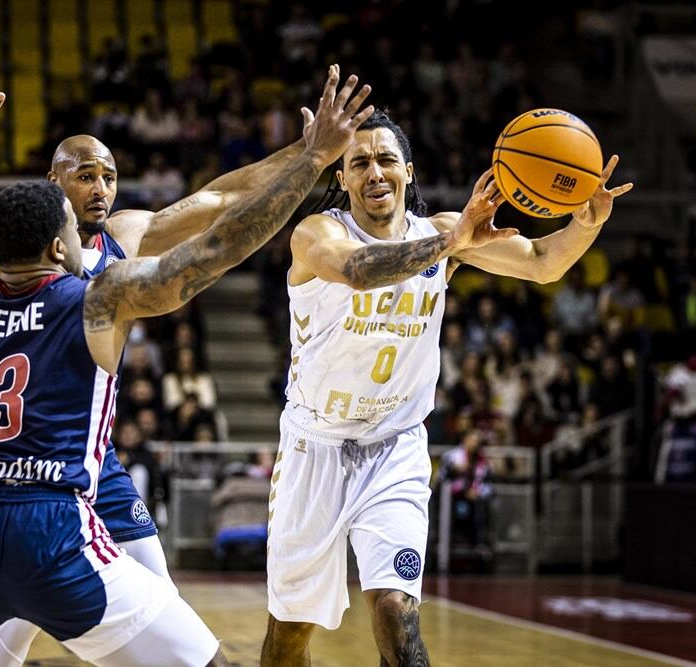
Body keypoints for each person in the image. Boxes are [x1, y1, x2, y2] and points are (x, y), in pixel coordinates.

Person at [0, 47, 371, 664]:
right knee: (17, 623)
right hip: (46, 486)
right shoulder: (24, 236)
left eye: (108, 175)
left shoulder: (123, 236)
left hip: (78, 468)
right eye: (85, 176)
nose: (101, 188)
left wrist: (304, 150)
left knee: (154, 595)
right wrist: (312, 160)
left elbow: (217, 201)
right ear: (54, 196)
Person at [260, 110, 633, 666]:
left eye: (386, 160)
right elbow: (359, 269)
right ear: (341, 179)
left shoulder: (440, 233)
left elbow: (541, 263)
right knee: (290, 637)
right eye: (358, 162)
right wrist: (452, 244)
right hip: (314, 449)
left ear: (409, 172)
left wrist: (587, 222)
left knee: (396, 615)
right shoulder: (319, 234)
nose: (374, 172)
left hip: (396, 449)